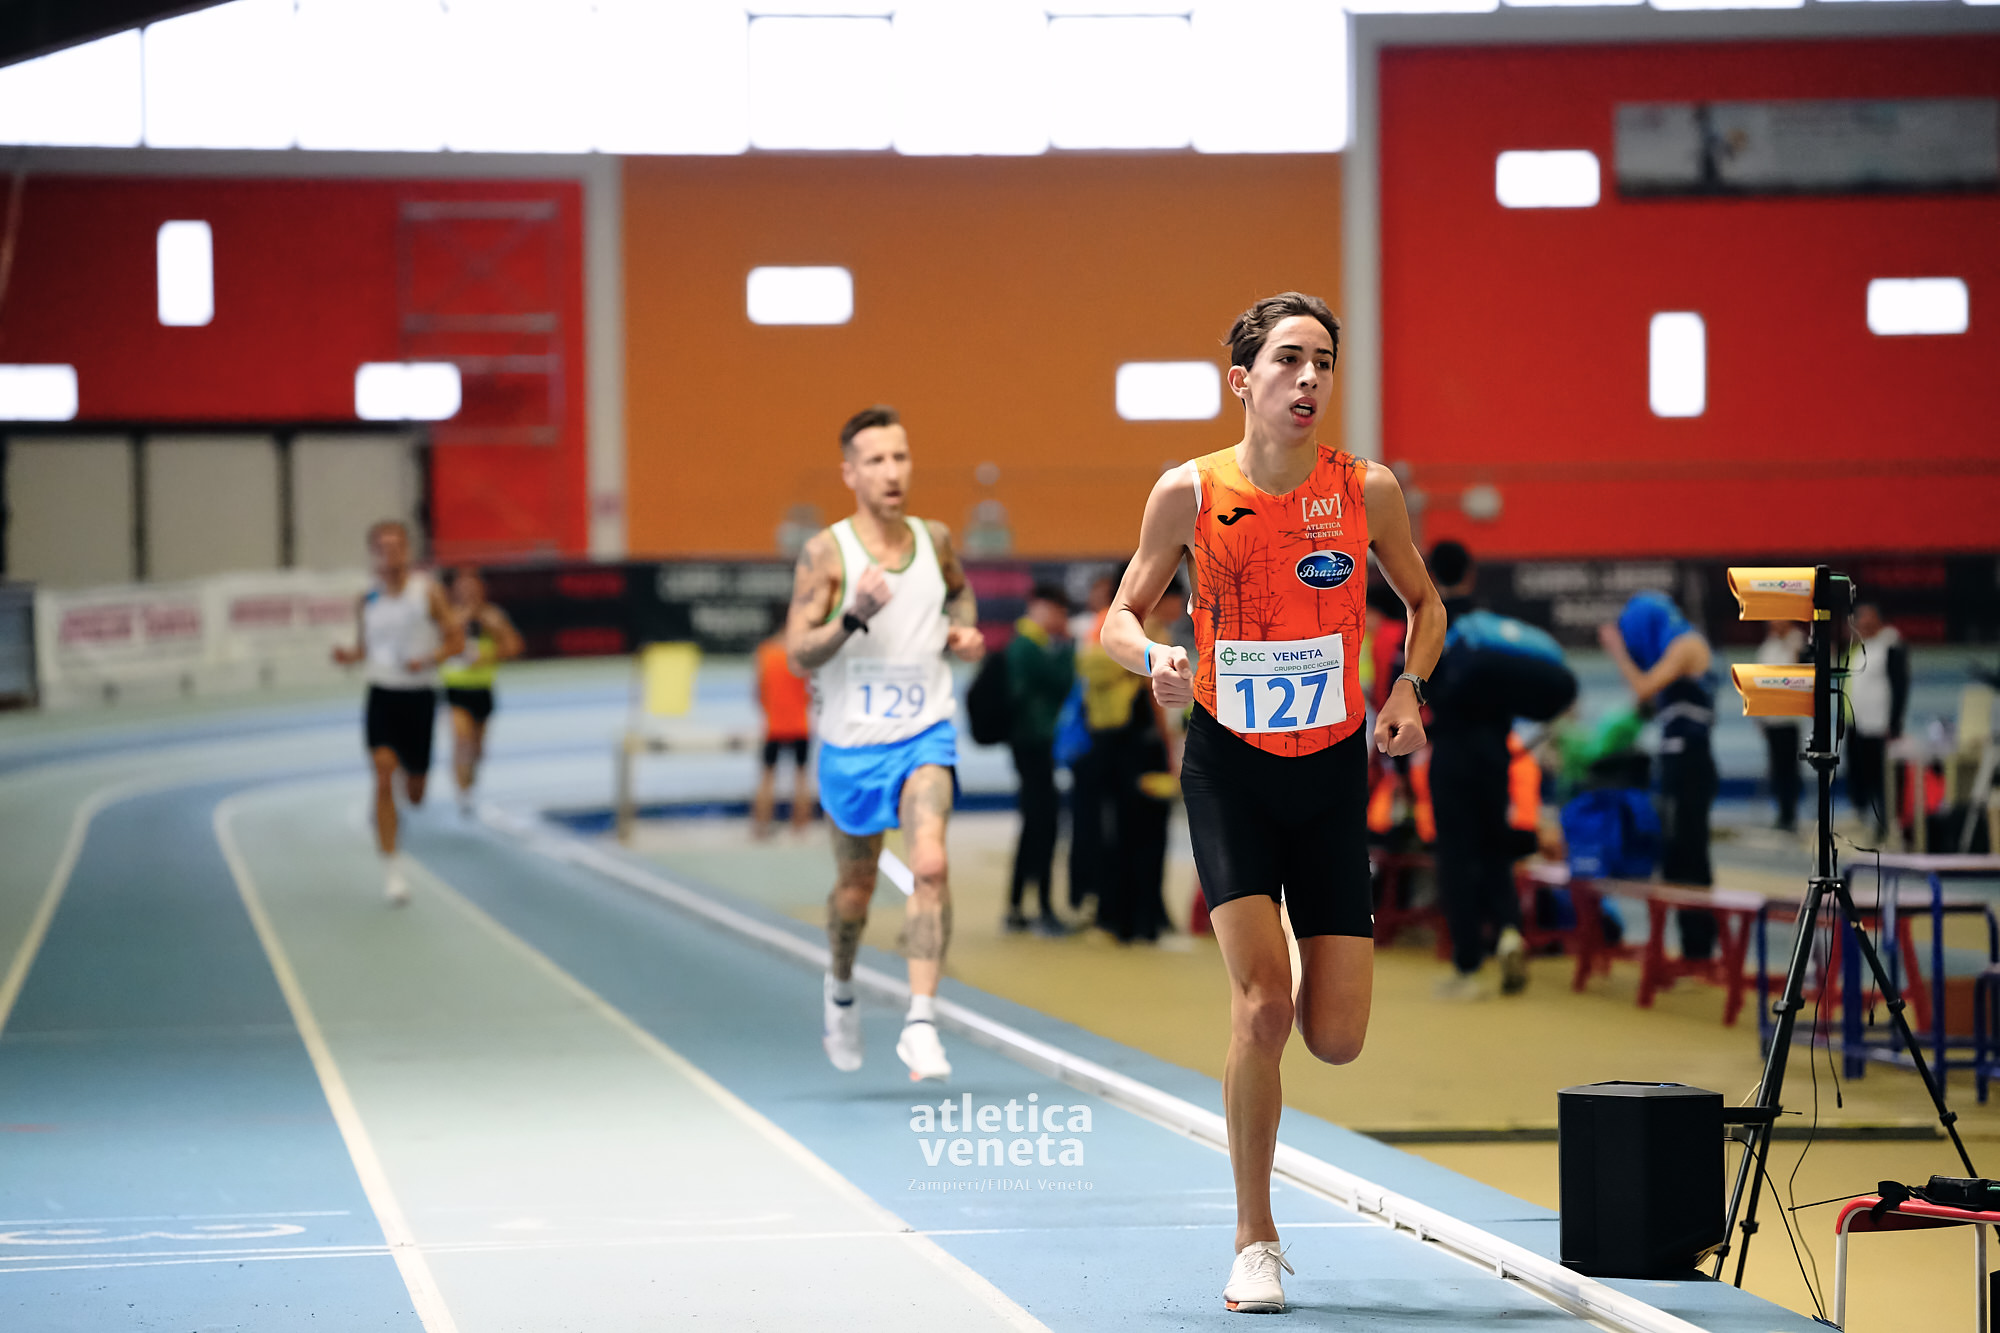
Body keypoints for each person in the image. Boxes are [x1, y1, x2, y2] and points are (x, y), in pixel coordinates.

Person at [1102, 292, 1443, 1313]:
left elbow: (1425, 604)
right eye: (1290, 359)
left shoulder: (1366, 489)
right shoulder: (1189, 490)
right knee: (1264, 1005)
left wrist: (1407, 689)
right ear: (1242, 380)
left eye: (1324, 362)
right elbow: (1118, 615)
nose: (1309, 378)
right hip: (1230, 770)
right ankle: (1254, 1236)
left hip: (1330, 773)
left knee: (1334, 1035)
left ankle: (1262, 1196)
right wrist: (1156, 658)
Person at [784, 405, 985, 1082]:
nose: (891, 471)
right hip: (853, 746)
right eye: (875, 460)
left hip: (924, 732)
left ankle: (921, 1022)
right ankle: (840, 988)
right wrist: (852, 617)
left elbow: (959, 595)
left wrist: (963, 631)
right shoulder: (826, 552)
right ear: (850, 473)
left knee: (930, 865)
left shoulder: (936, 538)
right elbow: (798, 653)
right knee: (855, 890)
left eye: (900, 457)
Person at [331, 520, 462, 905]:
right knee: (383, 772)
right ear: (373, 553)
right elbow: (365, 648)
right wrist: (349, 656)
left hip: (419, 697)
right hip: (382, 696)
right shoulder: (367, 599)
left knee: (416, 794)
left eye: (396, 546)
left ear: (407, 551)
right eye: (382, 548)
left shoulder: (428, 592)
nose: (390, 554)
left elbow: (455, 639)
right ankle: (393, 872)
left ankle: (395, 800)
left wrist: (430, 658)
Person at [1424, 540, 1531, 1000]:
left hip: (1449, 750)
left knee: (1455, 856)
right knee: (1494, 847)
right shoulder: (1496, 630)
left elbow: (1408, 689)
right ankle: (1508, 930)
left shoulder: (1428, 626)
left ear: (1432, 575)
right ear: (1470, 573)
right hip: (1493, 751)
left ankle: (1467, 964)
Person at [1600, 591, 1717, 961]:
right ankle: (1690, 945)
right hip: (1674, 763)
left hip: (1691, 764)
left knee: (1689, 856)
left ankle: (1699, 949)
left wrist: (1617, 651)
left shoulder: (1686, 644)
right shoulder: (1672, 649)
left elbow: (1643, 688)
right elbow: (1645, 702)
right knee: (1673, 856)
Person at [1004, 584, 1076, 934]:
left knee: (1035, 824)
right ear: (1042, 608)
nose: (1062, 620)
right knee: (1043, 824)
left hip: (1029, 745)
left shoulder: (1028, 645)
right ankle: (1040, 908)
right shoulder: (1029, 647)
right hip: (1034, 745)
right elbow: (1062, 681)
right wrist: (1067, 648)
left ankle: (1018, 906)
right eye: (1059, 611)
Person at [440, 567, 523, 817]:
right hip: (456, 689)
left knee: (477, 749)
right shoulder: (447, 616)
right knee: (462, 739)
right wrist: (458, 625)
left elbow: (514, 647)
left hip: (482, 689)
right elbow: (438, 646)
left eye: (473, 588)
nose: (469, 593)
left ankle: (470, 783)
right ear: (455, 590)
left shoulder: (493, 616)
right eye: (463, 588)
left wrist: (490, 651)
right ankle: (462, 794)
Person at [1067, 570, 1120, 912]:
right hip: (1091, 735)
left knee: (1098, 821)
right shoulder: (1084, 629)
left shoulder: (1100, 628)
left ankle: (1095, 893)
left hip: (1101, 736)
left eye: (1106, 592)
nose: (1100, 598)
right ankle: (1086, 892)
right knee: (1089, 820)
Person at [1844, 602, 1908, 841]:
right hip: (1858, 724)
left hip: (1880, 726)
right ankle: (1865, 819)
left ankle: (1886, 824)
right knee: (1862, 775)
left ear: (1879, 621)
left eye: (1868, 619)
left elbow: (1900, 686)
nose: (1863, 623)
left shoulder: (1890, 647)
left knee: (1883, 779)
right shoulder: (1859, 649)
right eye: (1860, 619)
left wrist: (1894, 722)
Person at [752, 631, 816, 837]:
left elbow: (758, 690)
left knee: (767, 777)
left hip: (774, 726)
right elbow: (811, 691)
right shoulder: (801, 652)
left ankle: (761, 826)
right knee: (801, 777)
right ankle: (800, 827)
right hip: (800, 725)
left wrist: (771, 709)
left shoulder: (765, 652)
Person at [1756, 621, 1807, 833]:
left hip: (1789, 719)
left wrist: (1794, 648)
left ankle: (1791, 814)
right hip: (1771, 719)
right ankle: (1782, 812)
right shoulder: (1767, 647)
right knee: (1776, 769)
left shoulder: (1798, 642)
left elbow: (1803, 673)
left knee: (1789, 769)